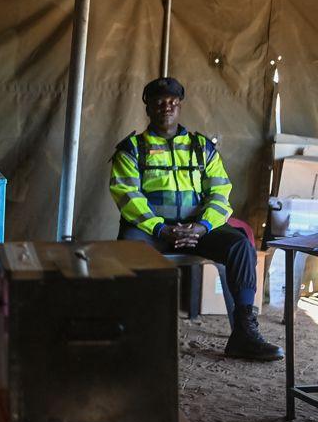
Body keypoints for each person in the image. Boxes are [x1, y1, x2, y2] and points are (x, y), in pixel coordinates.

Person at [110, 77, 283, 361]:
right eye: (159, 102)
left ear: (179, 106)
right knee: (128, 251)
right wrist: (162, 228)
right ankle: (133, 334)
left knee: (240, 245)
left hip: (197, 229)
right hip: (152, 230)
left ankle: (244, 334)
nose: (166, 107)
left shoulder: (201, 146)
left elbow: (219, 192)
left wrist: (203, 226)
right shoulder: (131, 149)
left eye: (172, 102)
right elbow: (128, 196)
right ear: (148, 106)